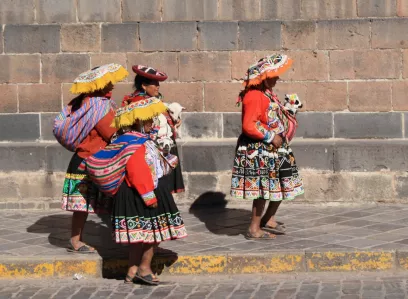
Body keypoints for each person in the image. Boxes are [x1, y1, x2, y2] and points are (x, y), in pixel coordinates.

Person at [80, 97, 187, 285]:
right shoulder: (135, 143)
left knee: (139, 235)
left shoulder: (127, 139)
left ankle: (132, 270)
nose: (151, 122)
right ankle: (144, 269)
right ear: (137, 122)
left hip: (132, 193)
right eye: (148, 120)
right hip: (142, 193)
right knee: (152, 234)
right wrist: (148, 196)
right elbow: (137, 171)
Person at [230, 54, 304, 240]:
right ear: (264, 77)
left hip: (275, 149)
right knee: (263, 189)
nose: (277, 78)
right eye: (274, 75)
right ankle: (254, 228)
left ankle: (269, 218)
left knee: (281, 183)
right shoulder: (254, 96)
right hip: (261, 150)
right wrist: (271, 137)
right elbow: (249, 125)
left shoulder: (266, 94)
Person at [58, 63, 128, 253]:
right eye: (108, 82)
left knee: (82, 204)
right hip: (94, 160)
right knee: (100, 200)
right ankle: (121, 236)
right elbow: (111, 134)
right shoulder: (100, 107)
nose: (112, 85)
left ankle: (76, 240)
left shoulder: (81, 102)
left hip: (80, 159)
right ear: (99, 85)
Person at [122, 65, 185, 194]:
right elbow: (143, 128)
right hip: (152, 150)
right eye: (154, 84)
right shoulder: (139, 102)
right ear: (144, 86)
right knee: (157, 186)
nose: (157, 86)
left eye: (158, 84)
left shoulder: (152, 100)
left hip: (163, 146)